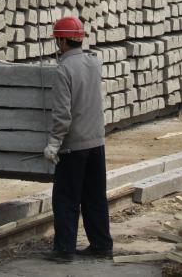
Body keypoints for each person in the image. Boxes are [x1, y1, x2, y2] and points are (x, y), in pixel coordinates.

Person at [43, 15, 113, 261]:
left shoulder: (64, 69)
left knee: (65, 199)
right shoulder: (94, 63)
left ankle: (64, 250)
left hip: (73, 147)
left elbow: (62, 114)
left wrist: (54, 143)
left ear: (62, 41)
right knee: (95, 197)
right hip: (96, 142)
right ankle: (101, 246)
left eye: (57, 41)